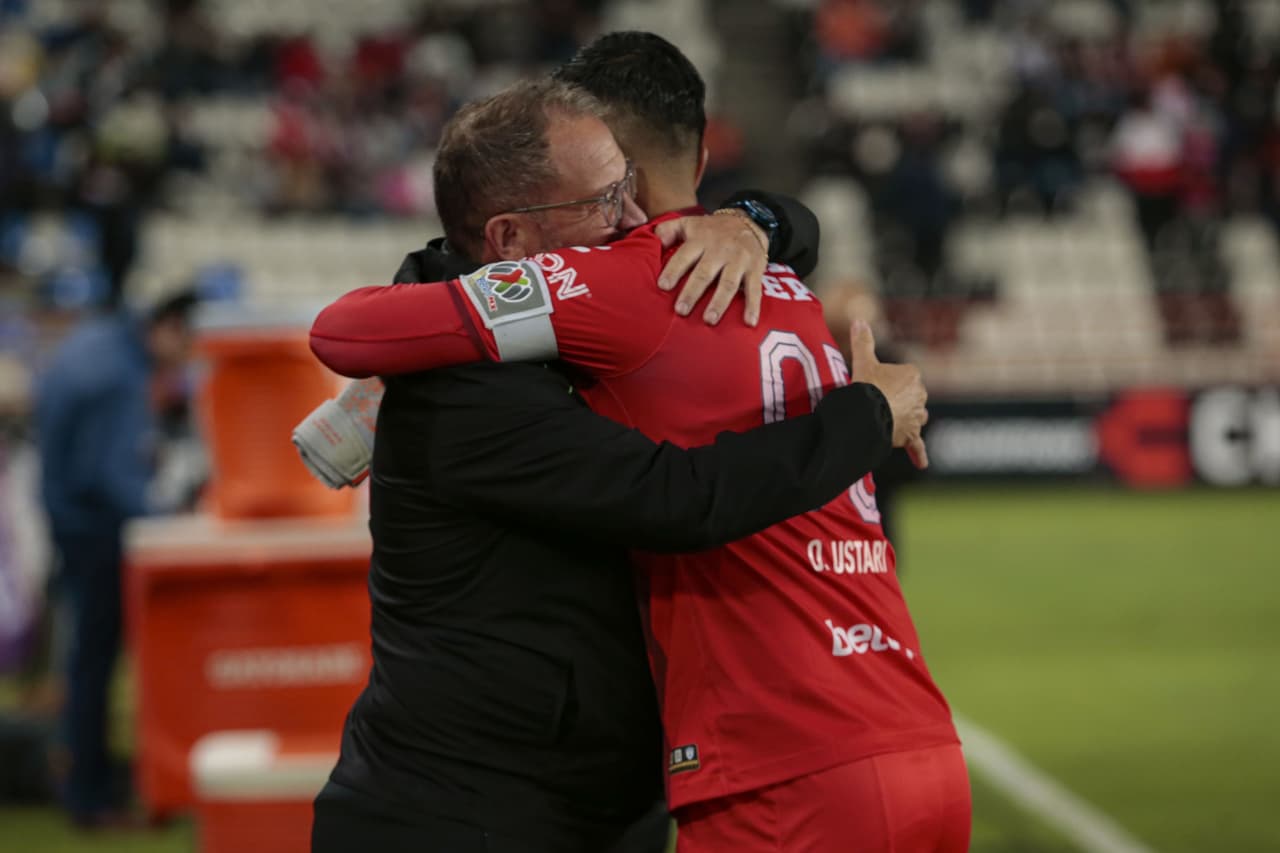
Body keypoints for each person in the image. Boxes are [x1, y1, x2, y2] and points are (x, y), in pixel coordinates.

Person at [308, 32, 968, 852]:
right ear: (510, 244)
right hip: (462, 813)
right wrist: (866, 414)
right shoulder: (465, 385)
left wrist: (752, 218)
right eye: (603, 198)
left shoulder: (618, 298)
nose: (635, 219)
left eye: (630, 185)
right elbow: (675, 497)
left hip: (603, 803)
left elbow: (788, 228)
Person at [34, 289, 196, 826]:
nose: (186, 359)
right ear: (168, 326)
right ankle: (92, 795)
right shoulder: (118, 374)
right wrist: (177, 524)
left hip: (74, 524)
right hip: (97, 534)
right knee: (97, 666)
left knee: (89, 663)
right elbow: (116, 479)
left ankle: (92, 785)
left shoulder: (103, 345)